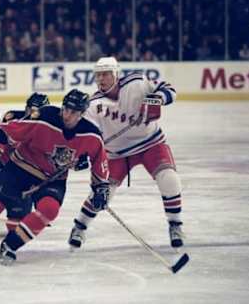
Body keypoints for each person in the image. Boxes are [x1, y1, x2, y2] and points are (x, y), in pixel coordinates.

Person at [0, 89, 110, 265]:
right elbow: (10, 131)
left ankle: (8, 247)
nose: (67, 115)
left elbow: (99, 161)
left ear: (82, 114)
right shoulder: (45, 117)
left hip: (52, 179)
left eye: (73, 112)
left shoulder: (92, 135)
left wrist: (101, 187)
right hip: (19, 170)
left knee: (50, 210)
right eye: (66, 109)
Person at [68, 56, 185, 251]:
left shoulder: (137, 83)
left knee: (169, 178)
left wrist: (157, 98)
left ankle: (175, 225)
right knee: (103, 193)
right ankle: (79, 227)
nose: (101, 79)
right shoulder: (93, 105)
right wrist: (81, 155)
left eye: (106, 74)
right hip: (116, 154)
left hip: (151, 143)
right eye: (98, 75)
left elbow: (169, 89)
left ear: (116, 74)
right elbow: (87, 134)